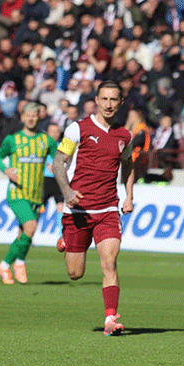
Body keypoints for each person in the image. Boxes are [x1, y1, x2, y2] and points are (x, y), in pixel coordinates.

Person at [52, 82, 134, 337]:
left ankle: (111, 318)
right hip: (78, 211)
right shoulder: (78, 129)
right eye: (105, 99)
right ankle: (67, 241)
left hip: (108, 209)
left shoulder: (125, 136)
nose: (109, 104)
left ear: (121, 102)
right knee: (75, 274)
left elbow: (128, 164)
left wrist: (129, 196)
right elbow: (57, 163)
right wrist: (67, 193)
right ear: (97, 100)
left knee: (109, 262)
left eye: (114, 100)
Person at [0, 102, 57, 285]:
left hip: (36, 194)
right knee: (31, 226)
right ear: (22, 117)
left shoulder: (46, 141)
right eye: (27, 115)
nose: (30, 118)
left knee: (24, 234)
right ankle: (12, 263)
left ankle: (7, 267)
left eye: (34, 115)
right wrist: (7, 171)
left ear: (39, 117)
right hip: (17, 193)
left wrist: (55, 165)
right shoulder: (12, 140)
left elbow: (57, 158)